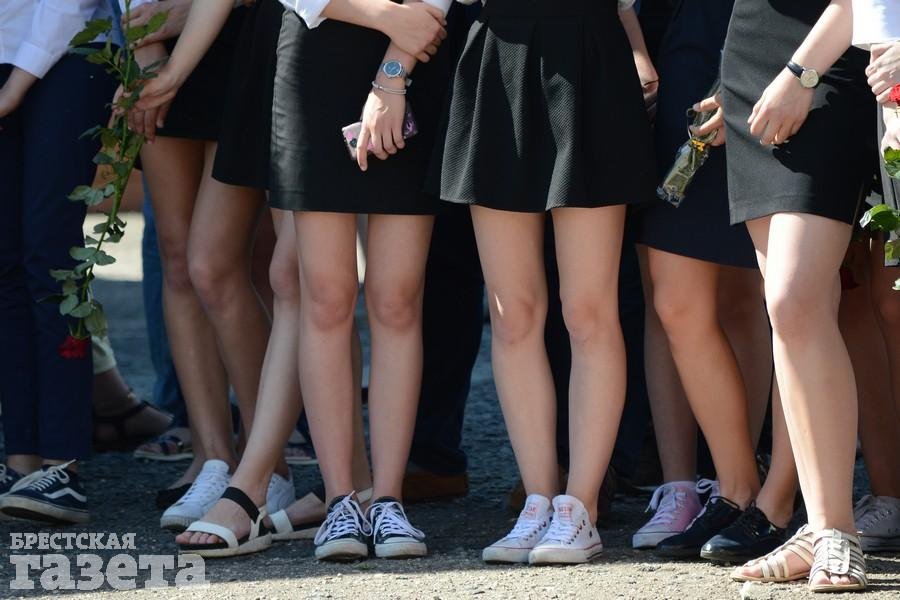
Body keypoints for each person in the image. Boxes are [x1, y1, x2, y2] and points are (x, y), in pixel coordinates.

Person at [430, 0, 657, 565]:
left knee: (588, 310)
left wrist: (636, 47)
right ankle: (538, 500)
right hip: (498, 52)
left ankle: (580, 506)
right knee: (513, 315)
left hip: (589, 53)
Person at [698, 0, 875, 591]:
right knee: (793, 313)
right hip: (752, 59)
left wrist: (802, 74)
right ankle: (822, 525)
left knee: (793, 301)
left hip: (830, 57)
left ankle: (835, 531)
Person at [119, 0, 294, 532]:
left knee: (215, 265)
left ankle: (266, 464)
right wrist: (146, 47)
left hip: (240, 45)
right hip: (154, 45)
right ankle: (212, 456)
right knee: (176, 258)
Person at [633, 0, 776, 560]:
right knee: (669, 296)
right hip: (663, 37)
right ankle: (693, 486)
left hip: (758, 38)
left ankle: (742, 488)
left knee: (747, 291)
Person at [0, 0, 118, 524]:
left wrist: (15, 85)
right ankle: (21, 461)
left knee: (51, 259)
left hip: (71, 51)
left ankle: (63, 465)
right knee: (5, 262)